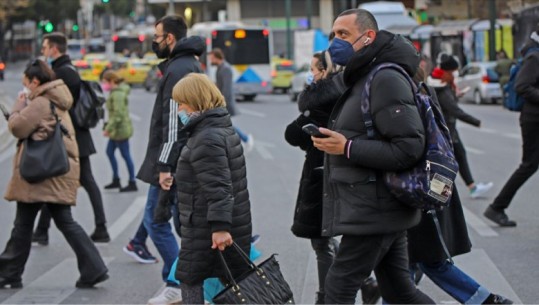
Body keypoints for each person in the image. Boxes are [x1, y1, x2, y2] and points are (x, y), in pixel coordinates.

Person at [311, 8, 434, 304]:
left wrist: (347, 147)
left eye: (344, 34)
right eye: (333, 34)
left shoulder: (384, 78)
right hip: (376, 207)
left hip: (376, 208)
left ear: (368, 38)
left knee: (338, 288)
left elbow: (408, 147)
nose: (335, 42)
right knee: (399, 292)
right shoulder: (361, 77)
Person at [405, 67, 513, 305]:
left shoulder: (414, 101)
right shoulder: (426, 93)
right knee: (417, 261)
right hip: (430, 185)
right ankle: (486, 300)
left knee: (419, 261)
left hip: (419, 190)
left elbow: (407, 151)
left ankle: (486, 300)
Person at [0, 59, 108, 289]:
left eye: (26, 83)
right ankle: (93, 268)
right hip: (53, 171)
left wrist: (18, 106)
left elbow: (18, 127)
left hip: (41, 174)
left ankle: (9, 273)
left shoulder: (40, 102)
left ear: (36, 81)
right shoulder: (56, 98)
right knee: (55, 221)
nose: (25, 88)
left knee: (24, 224)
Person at [284, 50, 379, 305]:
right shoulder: (347, 94)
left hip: (322, 174)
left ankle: (327, 297)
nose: (311, 74)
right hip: (340, 172)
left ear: (324, 71)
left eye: (315, 69)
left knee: (321, 240)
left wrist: (306, 121)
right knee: (328, 238)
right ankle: (366, 283)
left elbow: (291, 134)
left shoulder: (319, 102)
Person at [126, 15, 205, 305]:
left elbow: (173, 123)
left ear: (170, 38)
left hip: (171, 161)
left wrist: (164, 167)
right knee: (179, 224)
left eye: (157, 37)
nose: (154, 42)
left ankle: (178, 282)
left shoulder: (177, 69)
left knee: (155, 221)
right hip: (181, 158)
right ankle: (187, 283)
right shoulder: (188, 64)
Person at [169, 72, 252, 304]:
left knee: (190, 278)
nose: (179, 110)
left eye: (182, 103)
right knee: (231, 279)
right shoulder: (222, 128)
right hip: (220, 220)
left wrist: (220, 228)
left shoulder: (206, 137)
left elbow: (219, 187)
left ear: (196, 102)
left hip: (207, 225)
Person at [33, 32, 110, 244]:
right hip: (75, 136)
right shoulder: (69, 70)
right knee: (59, 180)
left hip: (71, 136)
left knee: (75, 180)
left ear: (54, 49)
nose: (43, 51)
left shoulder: (62, 73)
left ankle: (100, 227)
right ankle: (42, 230)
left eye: (45, 47)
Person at [484, 27, 539, 227]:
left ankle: (497, 206)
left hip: (533, 118)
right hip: (534, 120)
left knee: (529, 165)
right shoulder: (535, 57)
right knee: (529, 165)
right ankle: (497, 207)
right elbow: (522, 86)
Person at [428, 53, 493, 199]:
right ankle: (438, 194)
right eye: (453, 72)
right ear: (446, 72)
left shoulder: (441, 85)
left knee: (458, 156)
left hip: (447, 129)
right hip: (444, 131)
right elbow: (454, 110)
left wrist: (456, 95)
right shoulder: (442, 89)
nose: (455, 75)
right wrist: (476, 122)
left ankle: (469, 187)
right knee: (445, 163)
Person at [208, 48, 254, 153]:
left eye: (211, 58)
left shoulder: (225, 68)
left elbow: (226, 89)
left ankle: (245, 139)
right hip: (222, 102)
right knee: (226, 125)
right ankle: (242, 140)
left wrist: (221, 103)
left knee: (226, 125)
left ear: (216, 57)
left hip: (225, 102)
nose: (210, 60)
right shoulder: (220, 67)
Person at [101, 70, 137, 192]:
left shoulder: (117, 95)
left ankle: (132, 181)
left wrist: (108, 129)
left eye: (105, 82)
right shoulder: (115, 92)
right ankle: (116, 179)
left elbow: (118, 114)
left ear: (111, 81)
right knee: (110, 152)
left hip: (120, 130)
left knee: (125, 155)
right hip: (117, 130)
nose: (103, 84)